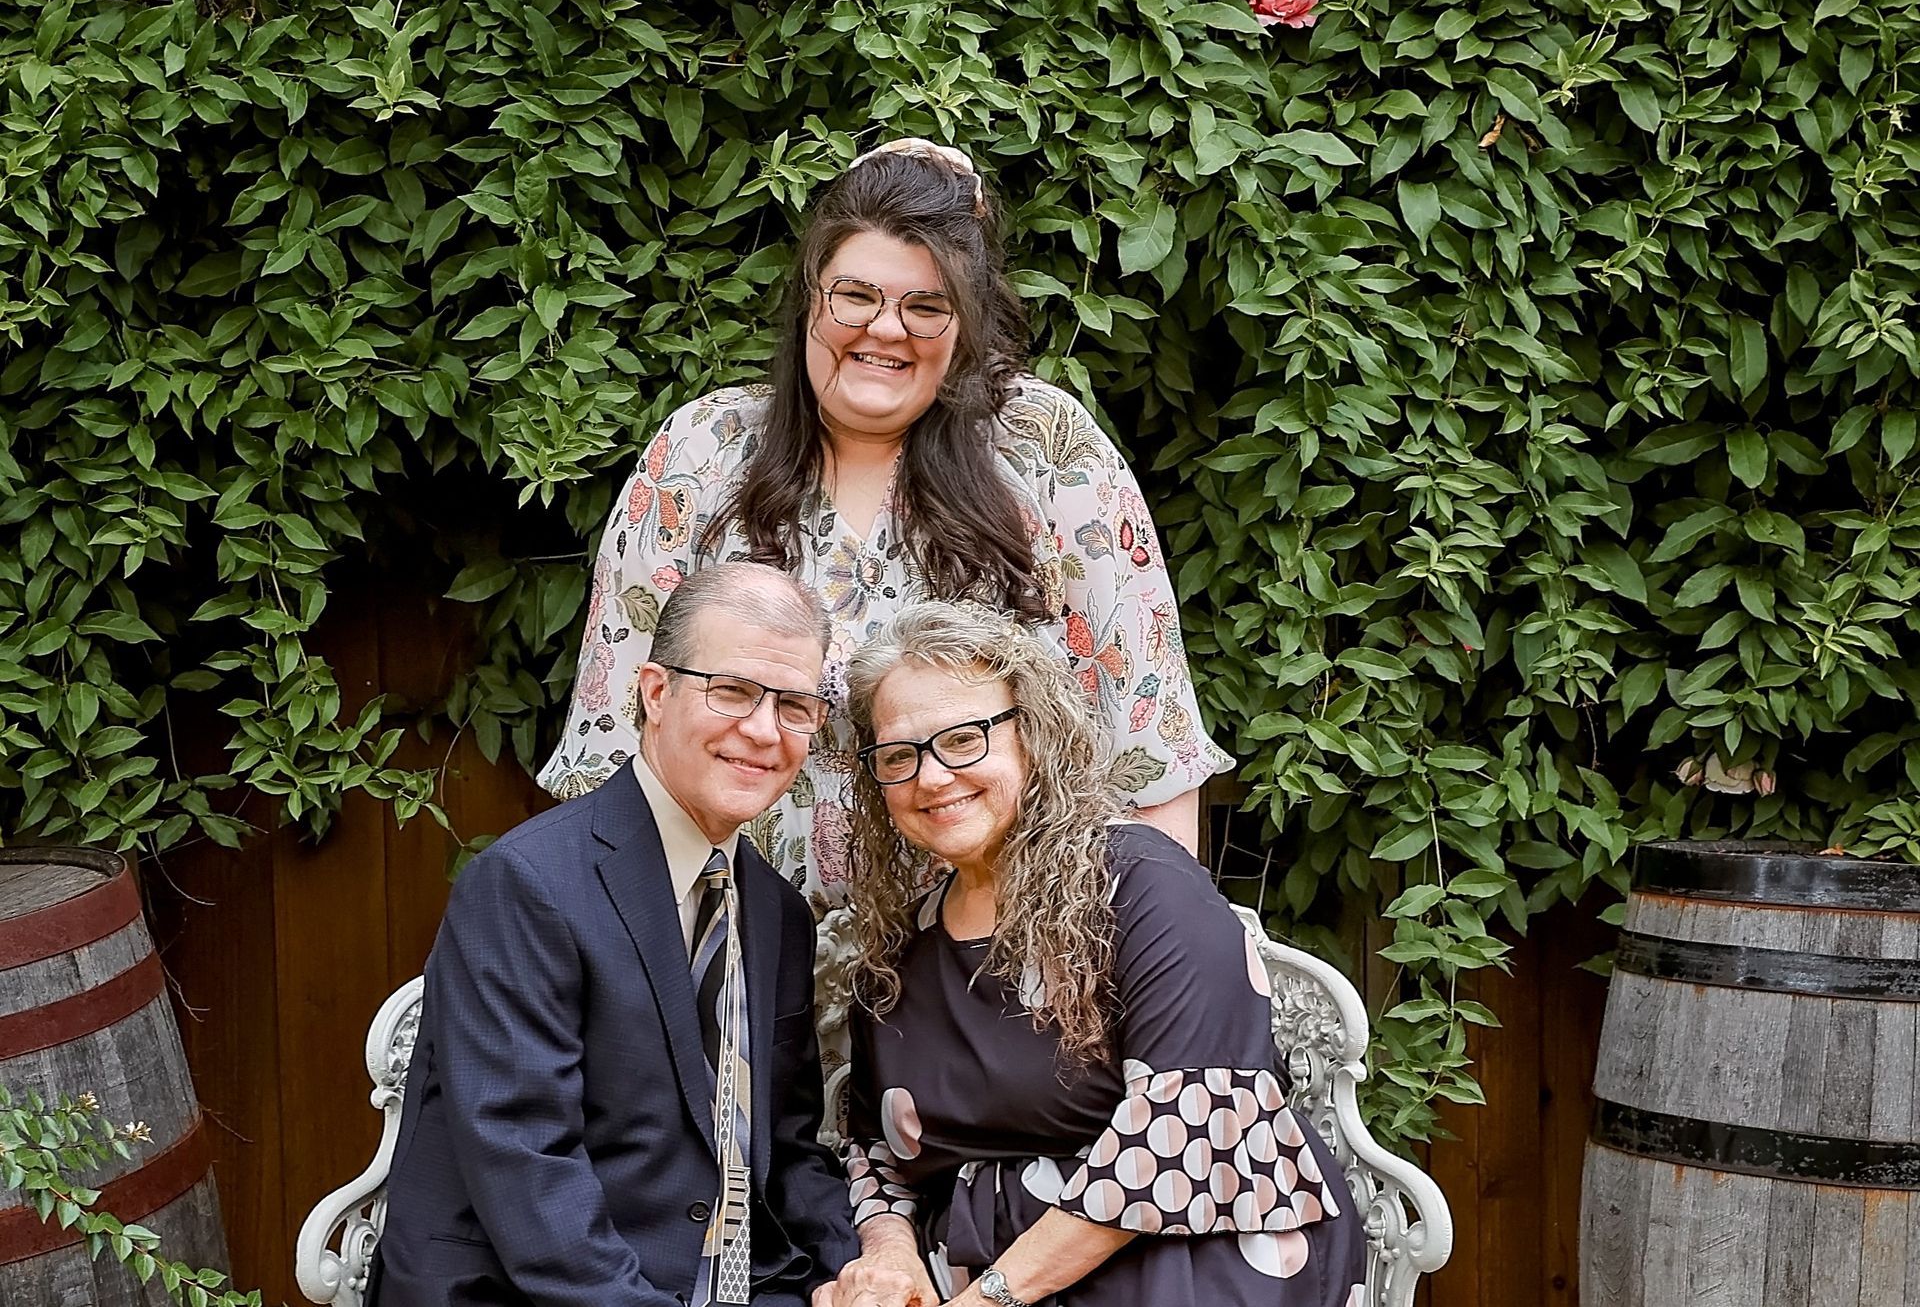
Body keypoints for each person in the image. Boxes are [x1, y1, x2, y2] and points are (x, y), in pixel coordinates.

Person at [537, 137, 1232, 901]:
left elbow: (1151, 747)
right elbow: (608, 750)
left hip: (999, 972)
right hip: (731, 964)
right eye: (856, 294)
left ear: (965, 324)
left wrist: (1153, 954)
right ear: (811, 294)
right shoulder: (701, 455)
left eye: (927, 307)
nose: (886, 329)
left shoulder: (1047, 452)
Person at [370, 563, 910, 1307]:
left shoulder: (776, 911)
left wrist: (858, 1273)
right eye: (733, 690)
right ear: (656, 693)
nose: (762, 730)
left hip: (738, 1282)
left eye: (794, 705)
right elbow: (530, 1167)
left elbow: (786, 1150)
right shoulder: (528, 883)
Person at [826, 601, 1366, 1307]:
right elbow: (873, 1147)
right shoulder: (907, 943)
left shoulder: (1142, 886)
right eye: (899, 754)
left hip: (1186, 1266)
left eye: (963, 739)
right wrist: (891, 1257)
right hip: (978, 1279)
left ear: (1034, 736)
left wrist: (988, 1298)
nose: (930, 776)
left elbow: (1186, 1133)